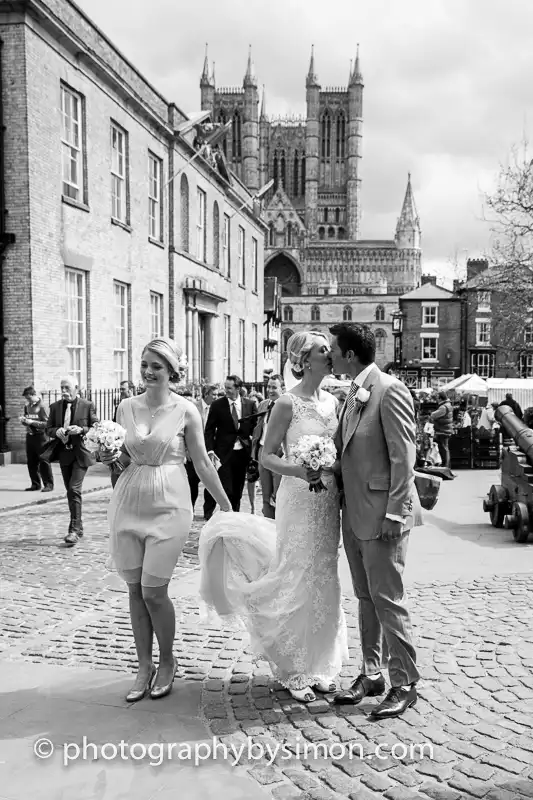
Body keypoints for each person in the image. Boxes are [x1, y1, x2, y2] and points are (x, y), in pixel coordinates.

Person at [199, 330, 348, 703]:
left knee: (324, 573)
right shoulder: (286, 403)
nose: (330, 355)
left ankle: (320, 664)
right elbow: (266, 457)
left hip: (328, 500)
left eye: (329, 350)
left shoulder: (334, 402)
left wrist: (334, 467)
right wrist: (300, 469)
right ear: (302, 361)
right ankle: (293, 667)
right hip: (298, 497)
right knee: (296, 572)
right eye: (321, 351)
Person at [103, 338, 231, 702]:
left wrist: (224, 504)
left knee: (153, 591)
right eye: (144, 364)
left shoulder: (187, 410)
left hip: (171, 504)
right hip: (128, 501)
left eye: (156, 366)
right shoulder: (125, 407)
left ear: (172, 371)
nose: (147, 372)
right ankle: (143, 666)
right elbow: (123, 460)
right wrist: (107, 456)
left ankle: (167, 660)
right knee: (133, 590)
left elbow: (202, 462)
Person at [329, 322, 421, 720]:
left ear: (350, 355)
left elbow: (404, 460)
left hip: (384, 516)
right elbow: (346, 453)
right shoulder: (352, 394)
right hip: (354, 513)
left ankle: (404, 682)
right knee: (366, 597)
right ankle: (372, 674)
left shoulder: (389, 389)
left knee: (388, 599)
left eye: (334, 349)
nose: (330, 355)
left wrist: (395, 513)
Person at [46, 376, 98, 545]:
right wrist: (57, 431)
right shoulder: (54, 407)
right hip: (64, 454)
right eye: (62, 388)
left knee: (74, 489)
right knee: (70, 490)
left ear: (77, 387)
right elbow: (48, 429)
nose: (64, 391)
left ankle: (73, 530)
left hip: (81, 454)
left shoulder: (87, 405)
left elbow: (96, 427)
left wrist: (81, 430)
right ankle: (79, 526)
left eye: (67, 388)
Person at [203, 375, 257, 518]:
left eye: (229, 388)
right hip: (223, 453)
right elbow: (209, 430)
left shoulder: (250, 404)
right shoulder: (217, 405)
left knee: (238, 489)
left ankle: (235, 517)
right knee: (227, 489)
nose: (226, 391)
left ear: (238, 388)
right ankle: (225, 516)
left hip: (242, 454)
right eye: (225, 387)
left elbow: (255, 428)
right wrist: (210, 450)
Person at [251, 374, 284, 518]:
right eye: (268, 387)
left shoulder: (287, 406)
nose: (270, 390)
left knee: (278, 495)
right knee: (265, 495)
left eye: (274, 387)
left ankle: (279, 525)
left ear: (282, 388)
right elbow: (259, 428)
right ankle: (268, 523)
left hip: (278, 454)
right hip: (262, 452)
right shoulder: (263, 405)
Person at [185, 384, 218, 515]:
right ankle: (190, 509)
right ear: (206, 394)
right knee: (192, 483)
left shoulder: (217, 408)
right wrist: (187, 450)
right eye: (213, 394)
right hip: (193, 451)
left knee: (211, 481)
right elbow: (185, 429)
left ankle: (208, 512)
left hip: (210, 451)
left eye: (217, 395)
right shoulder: (193, 407)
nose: (216, 397)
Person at [20, 386, 54, 493]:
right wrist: (24, 420)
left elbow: (47, 424)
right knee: (31, 461)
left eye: (29, 398)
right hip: (30, 436)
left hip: (41, 437)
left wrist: (32, 422)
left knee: (44, 460)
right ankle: (35, 484)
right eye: (26, 399)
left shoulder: (42, 407)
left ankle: (48, 484)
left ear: (34, 395)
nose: (28, 400)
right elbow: (27, 419)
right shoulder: (27, 406)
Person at [429, 391, 453, 468]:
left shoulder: (443, 407)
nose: (437, 400)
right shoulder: (448, 405)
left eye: (437, 398)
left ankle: (445, 465)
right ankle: (446, 465)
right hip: (446, 429)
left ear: (440, 398)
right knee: (445, 448)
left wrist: (431, 414)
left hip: (443, 430)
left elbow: (434, 415)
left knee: (443, 448)